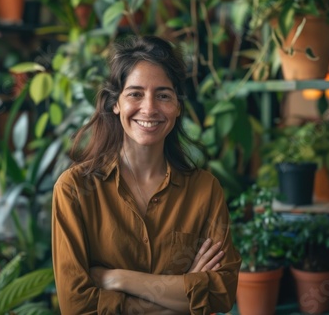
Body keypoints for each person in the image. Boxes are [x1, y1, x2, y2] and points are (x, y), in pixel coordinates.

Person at [51, 35, 241, 314]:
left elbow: (221, 293)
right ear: (115, 103)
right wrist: (183, 292)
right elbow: (76, 305)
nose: (149, 108)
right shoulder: (75, 189)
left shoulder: (204, 189)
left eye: (163, 95)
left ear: (177, 107)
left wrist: (117, 278)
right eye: (135, 94)